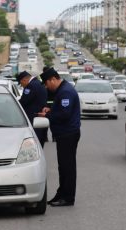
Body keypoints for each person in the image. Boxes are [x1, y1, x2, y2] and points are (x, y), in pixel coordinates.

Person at [38, 67, 81, 207]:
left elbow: (65, 114)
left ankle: (68, 197)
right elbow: (61, 110)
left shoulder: (65, 92)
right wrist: (51, 109)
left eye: (46, 83)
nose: (46, 87)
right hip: (64, 133)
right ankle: (61, 193)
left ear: (53, 79)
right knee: (63, 167)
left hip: (68, 134)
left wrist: (48, 115)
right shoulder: (62, 90)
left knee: (67, 167)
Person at [17, 71, 48, 147]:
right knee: (40, 143)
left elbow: (24, 101)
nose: (22, 86)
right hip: (40, 118)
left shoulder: (30, 86)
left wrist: (15, 104)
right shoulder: (39, 83)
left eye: (21, 84)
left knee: (35, 144)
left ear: (24, 80)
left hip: (33, 118)